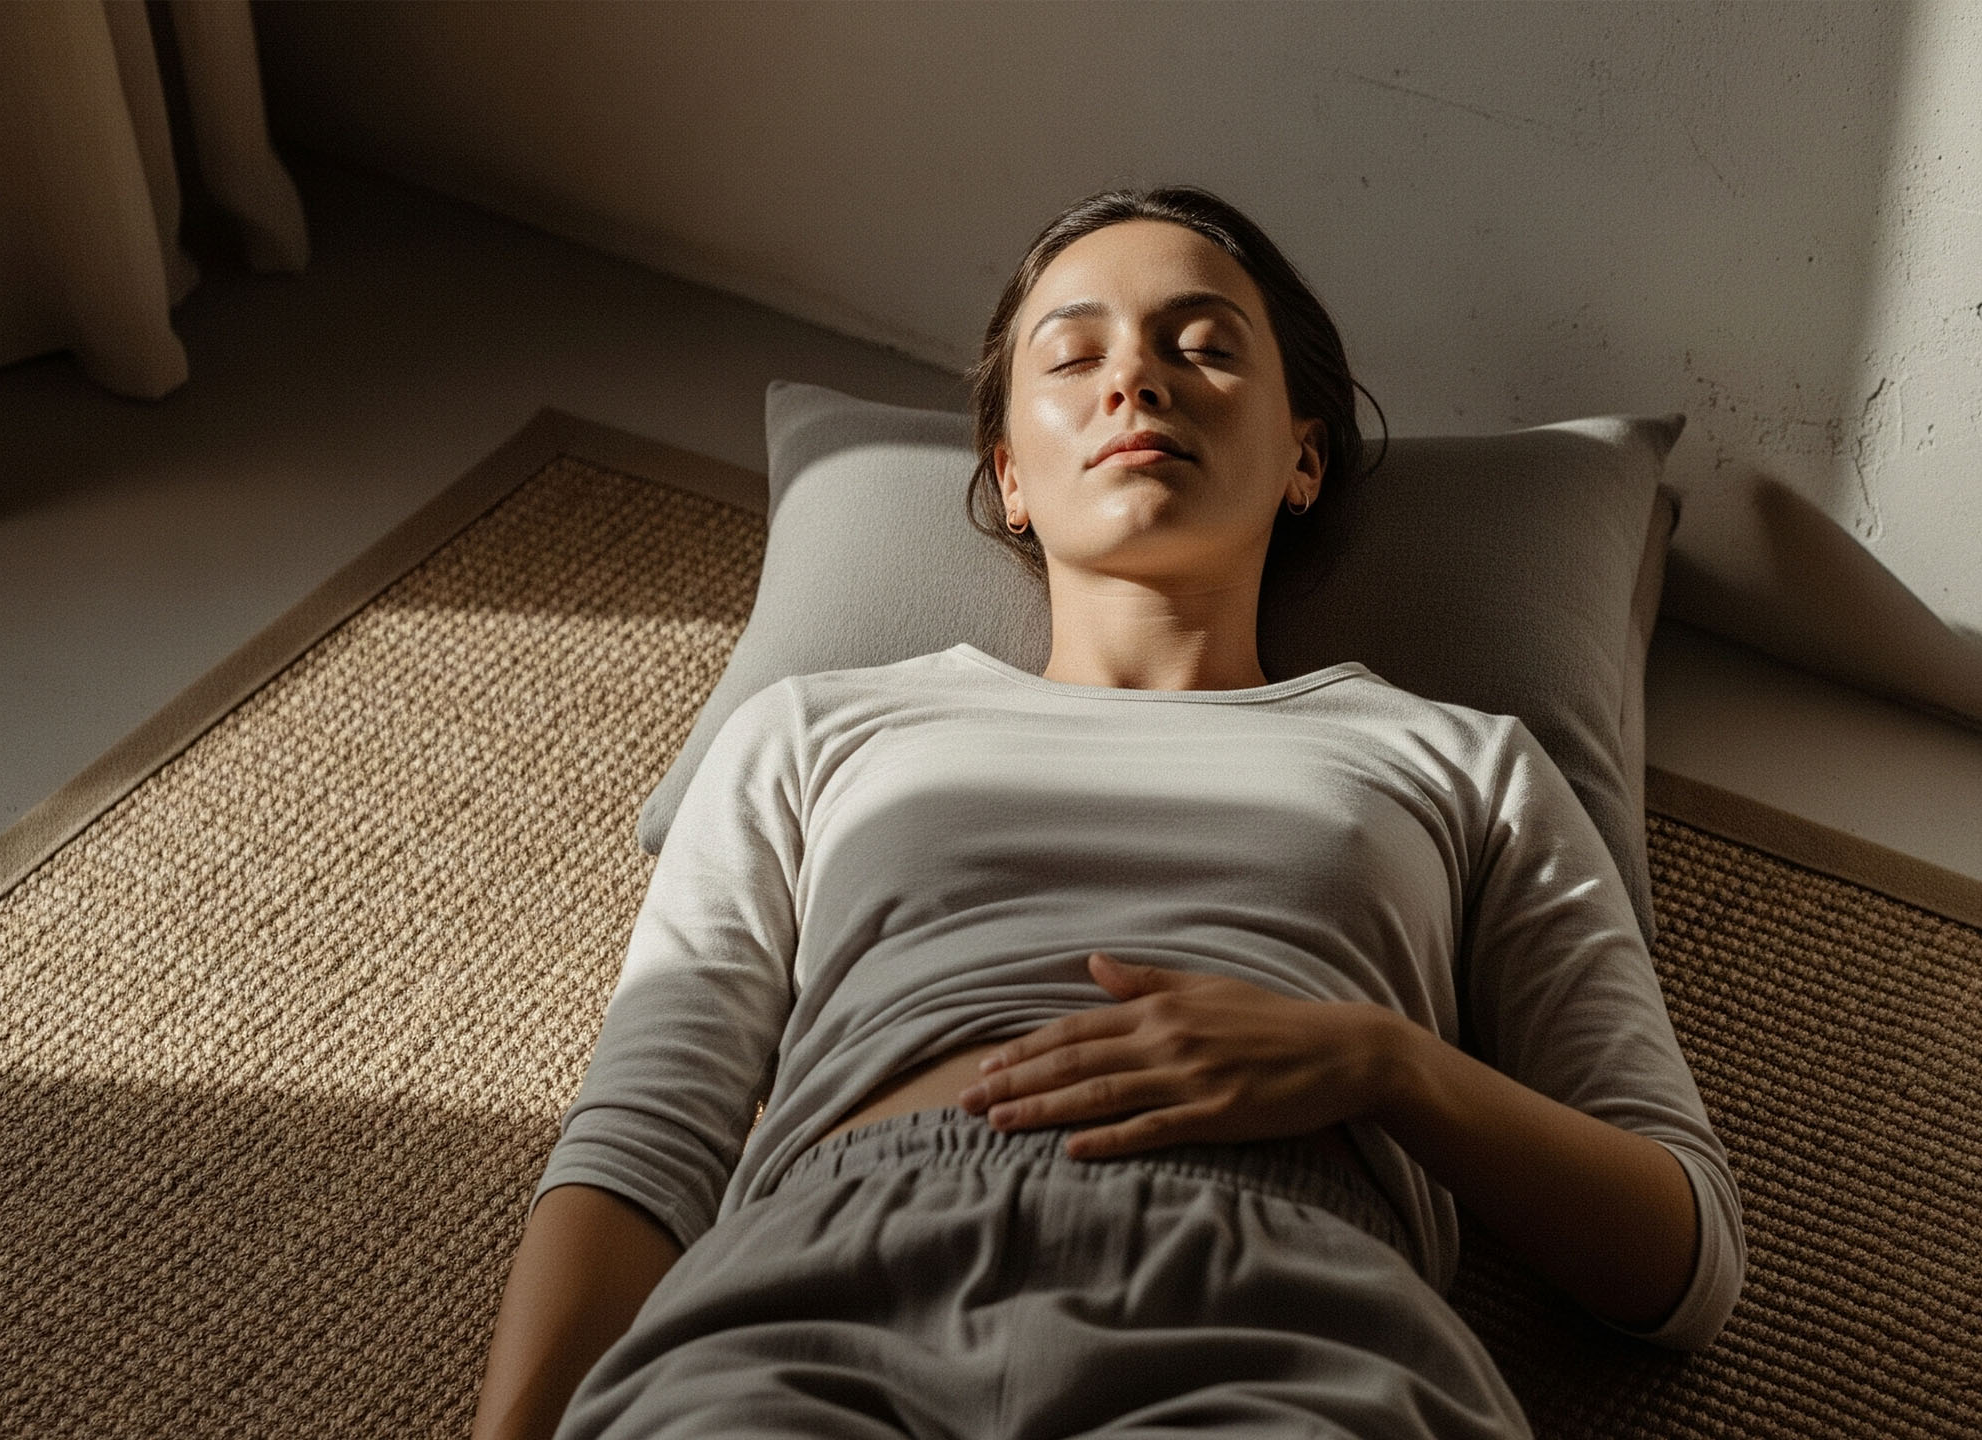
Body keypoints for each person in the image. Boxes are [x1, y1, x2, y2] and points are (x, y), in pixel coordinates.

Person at [471, 188, 1745, 1440]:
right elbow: (640, 1147)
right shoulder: (812, 730)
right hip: (819, 1282)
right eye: (1073, 356)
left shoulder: (1463, 762)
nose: (1133, 380)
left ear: (1304, 458)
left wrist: (1382, 1064)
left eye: (1203, 347)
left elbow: (1683, 1256)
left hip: (1280, 1301)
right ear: (1009, 476)